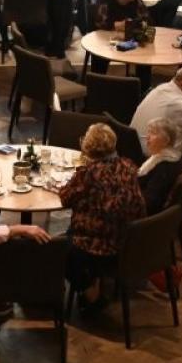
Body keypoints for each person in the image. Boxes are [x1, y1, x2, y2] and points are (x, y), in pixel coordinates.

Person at [58, 123, 146, 311]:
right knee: (72, 232)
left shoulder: (89, 173)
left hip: (98, 243)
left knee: (57, 249)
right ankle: (94, 280)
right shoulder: (128, 165)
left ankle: (91, 295)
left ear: (88, 147)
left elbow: (65, 198)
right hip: (125, 239)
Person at [130, 66, 182, 155]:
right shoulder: (180, 106)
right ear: (181, 83)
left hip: (134, 147)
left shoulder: (160, 88)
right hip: (155, 157)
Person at [137, 117, 182, 215]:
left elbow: (150, 202)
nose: (147, 137)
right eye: (148, 132)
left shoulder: (165, 166)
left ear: (166, 140)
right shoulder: (168, 156)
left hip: (145, 215)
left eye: (153, 133)